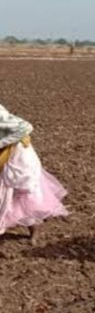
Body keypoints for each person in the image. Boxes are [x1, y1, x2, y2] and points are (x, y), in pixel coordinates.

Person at [0, 104, 68, 243]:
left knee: (24, 193)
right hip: (6, 156)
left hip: (18, 157)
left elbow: (25, 127)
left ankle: (34, 233)